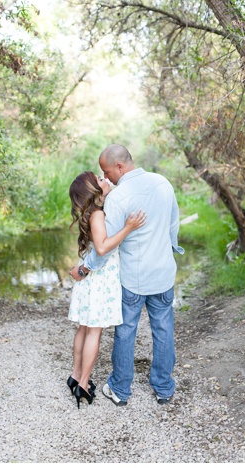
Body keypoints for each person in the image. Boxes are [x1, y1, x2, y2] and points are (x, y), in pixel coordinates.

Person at [70, 144, 184, 407]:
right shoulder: (163, 183)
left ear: (119, 166)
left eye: (107, 172)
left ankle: (121, 389)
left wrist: (84, 268)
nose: (106, 177)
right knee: (164, 328)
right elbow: (173, 224)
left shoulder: (118, 198)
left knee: (125, 332)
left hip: (133, 277)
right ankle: (164, 388)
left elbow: (104, 249)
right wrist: (169, 251)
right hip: (163, 272)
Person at [67, 171, 147, 409]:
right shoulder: (98, 214)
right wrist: (128, 228)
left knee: (84, 328)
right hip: (100, 280)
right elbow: (102, 249)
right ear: (94, 190)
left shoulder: (90, 214)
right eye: (101, 180)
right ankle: (83, 383)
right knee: (94, 332)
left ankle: (75, 374)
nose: (107, 181)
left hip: (90, 280)